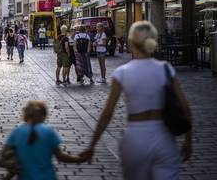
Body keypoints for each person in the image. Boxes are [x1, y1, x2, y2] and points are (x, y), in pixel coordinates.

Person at [81, 21, 193, 180]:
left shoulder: (123, 72)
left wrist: (92, 144)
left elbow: (107, 112)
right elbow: (185, 107)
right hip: (164, 137)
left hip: (136, 138)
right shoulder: (166, 69)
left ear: (131, 43)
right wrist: (188, 141)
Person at [1, 101, 89, 179]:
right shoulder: (49, 131)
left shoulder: (17, 132)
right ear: (43, 116)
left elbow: (4, 154)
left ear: (25, 115)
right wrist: (80, 159)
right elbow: (61, 157)